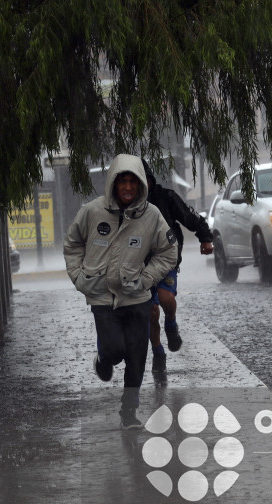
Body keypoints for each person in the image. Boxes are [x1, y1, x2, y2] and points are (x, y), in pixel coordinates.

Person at [64, 154, 178, 429]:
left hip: (136, 296)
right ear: (114, 184)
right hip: (102, 297)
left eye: (133, 182)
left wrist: (146, 279)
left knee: (137, 355)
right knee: (116, 350)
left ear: (141, 186)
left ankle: (129, 413)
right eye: (122, 181)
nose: (127, 187)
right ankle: (104, 358)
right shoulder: (92, 212)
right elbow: (72, 244)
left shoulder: (152, 216)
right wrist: (81, 277)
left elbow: (168, 251)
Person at [140, 159, 214, 375]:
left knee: (165, 299)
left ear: (150, 179)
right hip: (139, 268)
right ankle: (158, 351)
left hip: (166, 262)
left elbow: (190, 218)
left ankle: (171, 324)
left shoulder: (166, 197)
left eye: (143, 180)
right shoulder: (125, 204)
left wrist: (205, 238)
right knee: (150, 312)